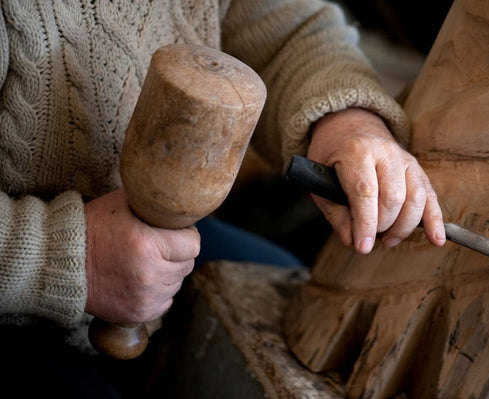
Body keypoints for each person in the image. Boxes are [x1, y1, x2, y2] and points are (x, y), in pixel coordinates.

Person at [0, 0, 445, 396]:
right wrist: (60, 254)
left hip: (170, 228)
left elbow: (286, 28)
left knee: (305, 307)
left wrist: (345, 120)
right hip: (20, 284)